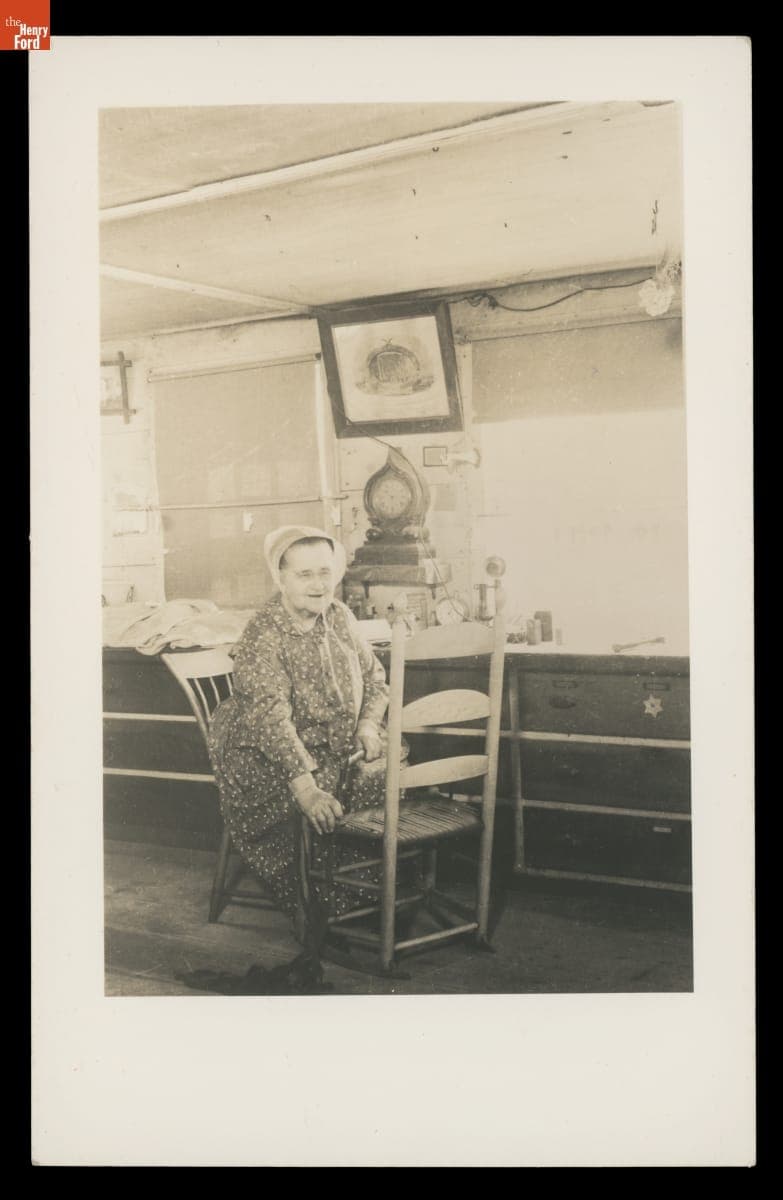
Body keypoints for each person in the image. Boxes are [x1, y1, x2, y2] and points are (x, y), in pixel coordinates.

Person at [207, 524, 401, 930]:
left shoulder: (340, 616)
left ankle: (358, 892)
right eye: (304, 574)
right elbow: (270, 719)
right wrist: (306, 788)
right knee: (325, 790)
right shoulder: (264, 634)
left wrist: (368, 725)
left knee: (386, 767)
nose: (318, 585)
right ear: (280, 578)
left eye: (325, 572)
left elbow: (375, 677)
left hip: (331, 741)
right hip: (266, 750)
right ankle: (321, 905)